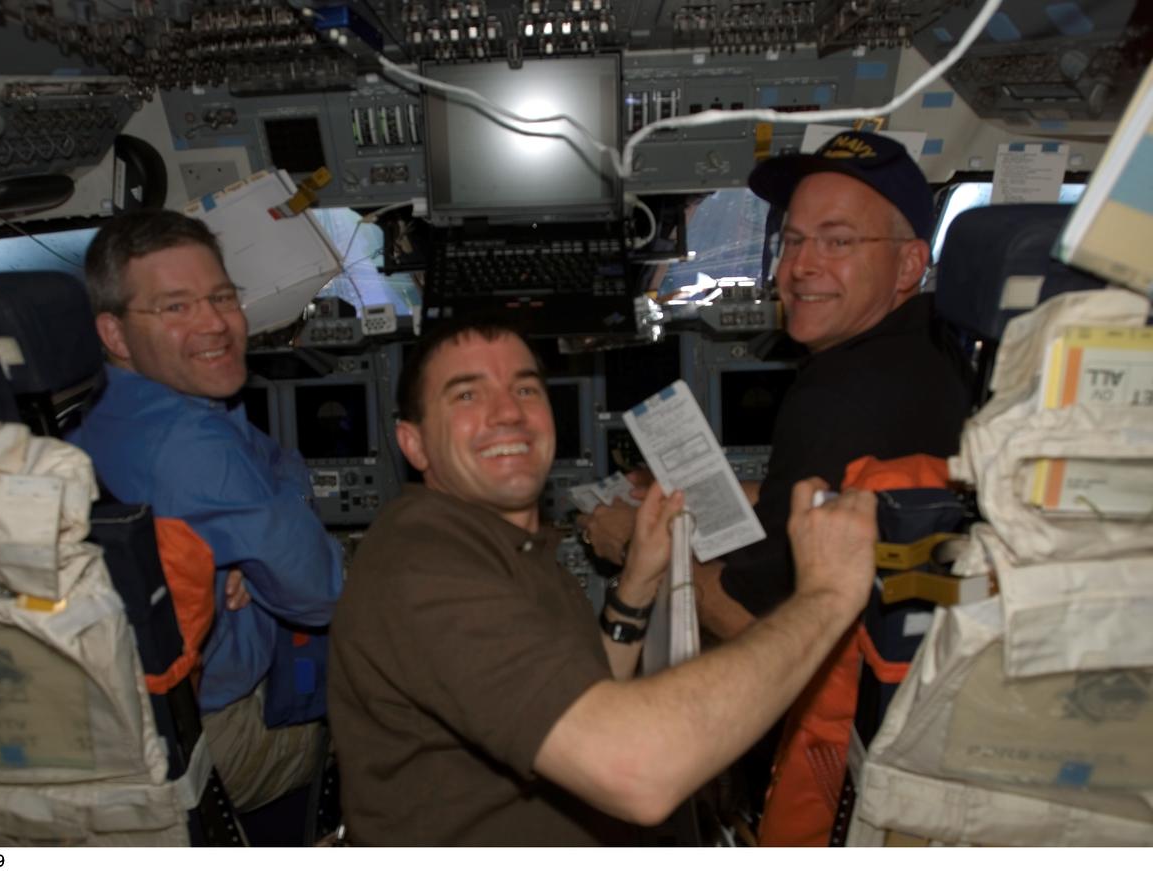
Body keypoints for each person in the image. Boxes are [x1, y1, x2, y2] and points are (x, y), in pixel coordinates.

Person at [327, 318, 879, 845]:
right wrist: (826, 595)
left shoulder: (502, 544)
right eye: (467, 395)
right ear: (413, 443)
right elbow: (636, 770)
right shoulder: (426, 568)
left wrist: (637, 582)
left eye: (525, 390)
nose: (507, 414)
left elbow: (575, 695)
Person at [579, 129, 974, 637]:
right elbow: (839, 487)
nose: (800, 267)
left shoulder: (841, 397)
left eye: (838, 241)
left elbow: (753, 621)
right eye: (792, 240)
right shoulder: (929, 351)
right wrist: (690, 492)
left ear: (909, 264)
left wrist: (635, 550)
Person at [70, 209, 343, 812]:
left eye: (221, 296)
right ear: (115, 335)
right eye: (175, 307)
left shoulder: (102, 409)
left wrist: (250, 538)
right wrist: (279, 516)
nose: (216, 324)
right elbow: (320, 593)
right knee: (389, 718)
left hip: (118, 719)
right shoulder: (194, 451)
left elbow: (275, 462)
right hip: (204, 736)